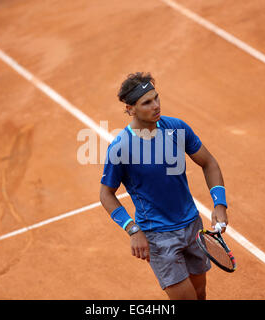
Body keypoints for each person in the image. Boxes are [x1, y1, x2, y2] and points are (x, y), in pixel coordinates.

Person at [99, 72, 228, 300]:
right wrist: (132, 229)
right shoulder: (121, 148)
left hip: (193, 226)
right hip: (159, 236)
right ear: (130, 109)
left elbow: (209, 163)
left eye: (156, 98)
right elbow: (106, 194)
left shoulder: (176, 128)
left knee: (200, 294)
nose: (156, 106)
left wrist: (220, 205)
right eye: (147, 102)